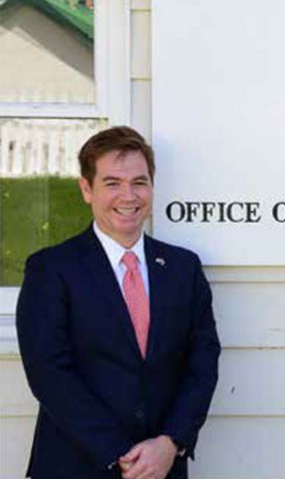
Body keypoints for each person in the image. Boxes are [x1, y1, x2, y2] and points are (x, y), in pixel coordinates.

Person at [16, 126, 221, 479]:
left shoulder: (183, 269)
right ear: (86, 189)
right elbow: (49, 372)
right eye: (112, 183)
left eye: (139, 182)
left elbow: (202, 364)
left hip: (162, 467)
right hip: (76, 465)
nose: (128, 196)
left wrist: (171, 442)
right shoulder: (50, 269)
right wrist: (119, 454)